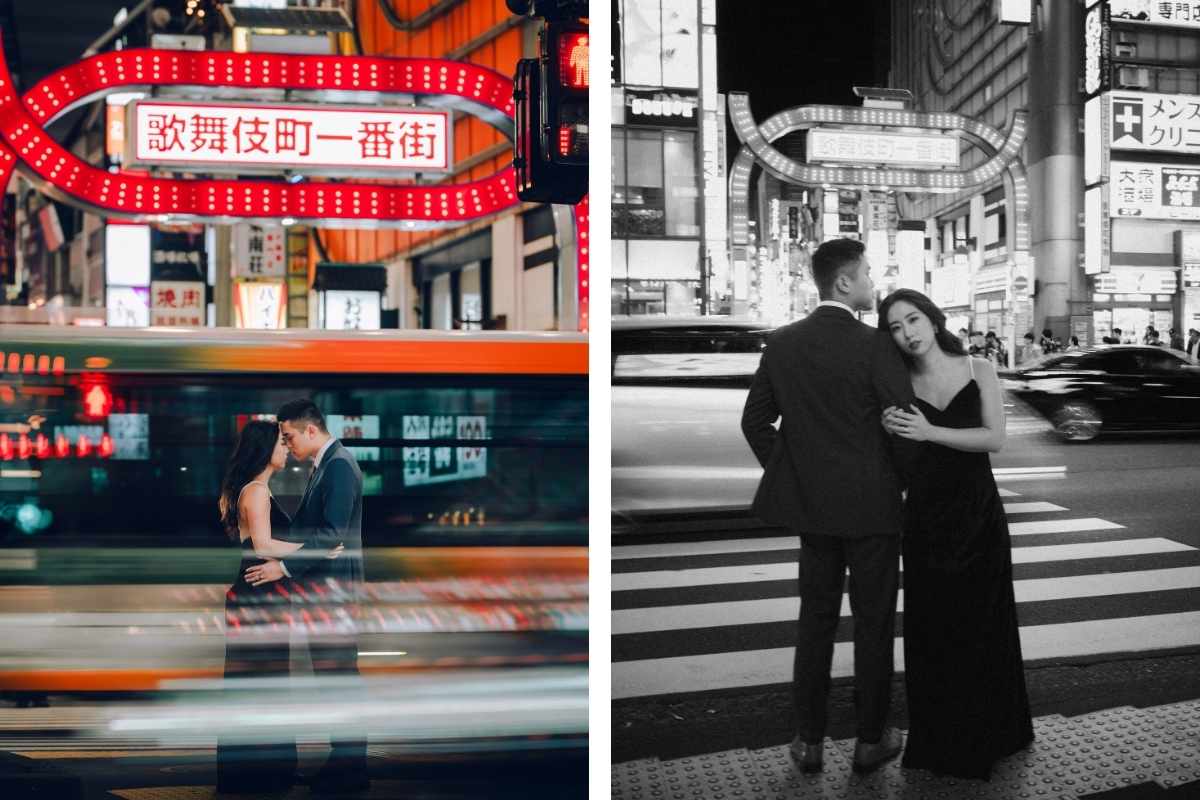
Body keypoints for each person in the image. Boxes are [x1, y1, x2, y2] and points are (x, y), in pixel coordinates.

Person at [741, 238, 918, 776]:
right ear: (843, 282)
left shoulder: (784, 343)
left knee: (814, 622)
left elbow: (755, 422)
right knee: (873, 623)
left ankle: (809, 741)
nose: (872, 283)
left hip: (813, 512)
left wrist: (795, 470)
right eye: (866, 273)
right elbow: (902, 425)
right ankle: (870, 740)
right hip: (873, 509)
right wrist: (904, 483)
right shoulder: (875, 346)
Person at [878, 289, 1034, 780]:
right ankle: (941, 736)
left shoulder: (978, 368)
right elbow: (897, 466)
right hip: (925, 518)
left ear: (933, 318)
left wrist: (930, 432)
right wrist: (890, 432)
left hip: (978, 513)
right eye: (897, 328)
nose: (908, 333)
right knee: (934, 630)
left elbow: (994, 439)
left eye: (913, 319)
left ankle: (995, 730)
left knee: (985, 625)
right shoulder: (897, 383)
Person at [246, 400, 368, 793]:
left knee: (340, 682)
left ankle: (351, 771)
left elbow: (333, 534)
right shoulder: (327, 465)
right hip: (325, 593)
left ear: (310, 431)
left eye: (289, 436)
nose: (288, 444)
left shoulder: (339, 466)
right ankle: (344, 764)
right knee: (333, 683)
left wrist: (281, 568)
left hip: (332, 593)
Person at [215, 420, 343, 794]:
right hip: (259, 598)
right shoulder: (255, 491)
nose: (287, 447)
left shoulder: (253, 489)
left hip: (255, 597)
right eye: (280, 442)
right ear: (263, 449)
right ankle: (261, 775)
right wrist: (317, 550)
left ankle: (253, 773)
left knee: (255, 686)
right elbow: (264, 546)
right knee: (261, 685)